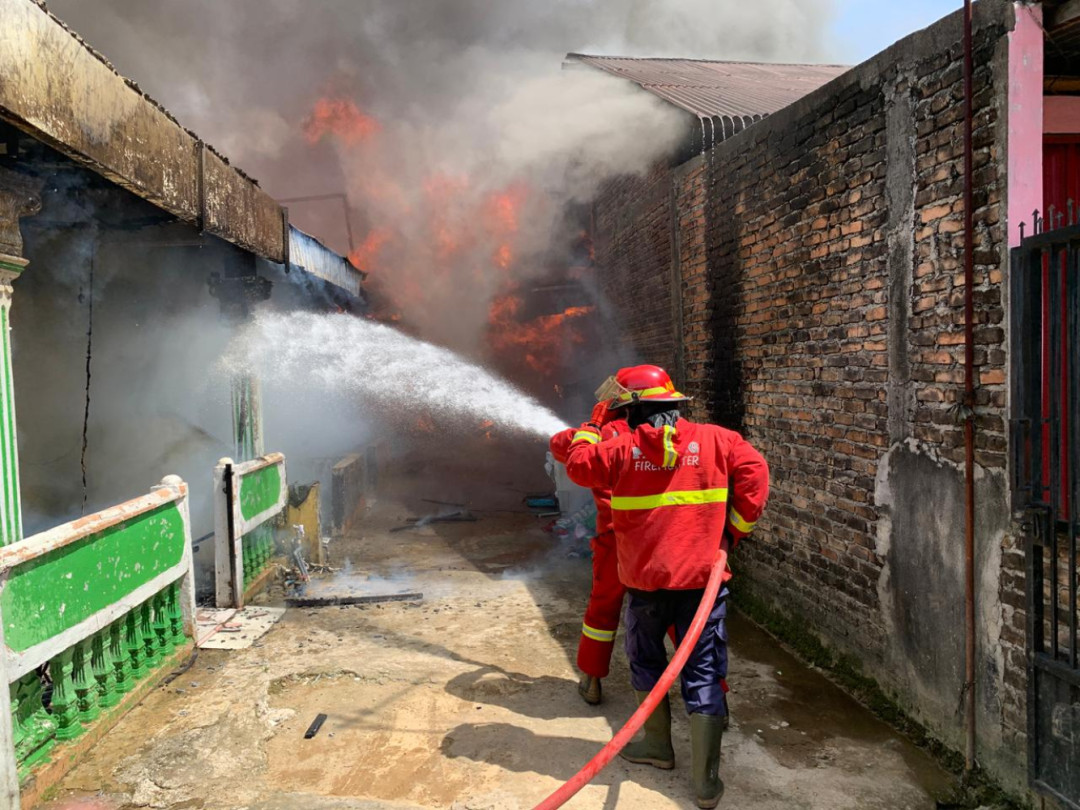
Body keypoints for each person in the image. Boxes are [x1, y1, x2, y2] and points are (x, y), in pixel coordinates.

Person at [563, 364, 769, 809]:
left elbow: (578, 465)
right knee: (703, 671)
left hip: (644, 585)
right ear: (675, 404)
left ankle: (658, 748)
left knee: (646, 661)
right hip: (702, 582)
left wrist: (593, 425)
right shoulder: (720, 440)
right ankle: (706, 785)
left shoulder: (619, 449)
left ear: (633, 411)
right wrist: (733, 531)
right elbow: (756, 474)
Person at [550, 403, 631, 705]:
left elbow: (560, 446)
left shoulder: (605, 435)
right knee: (679, 614)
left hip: (615, 539)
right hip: (659, 541)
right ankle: (713, 698)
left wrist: (594, 424)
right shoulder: (675, 437)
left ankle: (592, 680)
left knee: (603, 609)